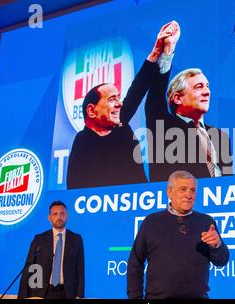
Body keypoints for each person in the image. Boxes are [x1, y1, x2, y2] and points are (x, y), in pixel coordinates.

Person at [67, 21, 179, 189]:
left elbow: (137, 90)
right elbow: (76, 193)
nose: (120, 103)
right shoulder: (82, 142)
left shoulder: (121, 128)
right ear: (91, 110)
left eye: (119, 98)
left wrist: (161, 51)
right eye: (112, 99)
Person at [144, 24, 233, 182]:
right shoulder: (163, 127)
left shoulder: (221, 137)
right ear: (177, 98)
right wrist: (167, 52)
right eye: (198, 87)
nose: (207, 92)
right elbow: (155, 99)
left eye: (207, 86)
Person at [127, 170, 229, 299]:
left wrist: (217, 245)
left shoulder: (206, 222)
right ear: (169, 192)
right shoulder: (151, 222)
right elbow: (135, 263)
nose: (188, 194)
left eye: (193, 190)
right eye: (183, 189)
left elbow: (221, 261)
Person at [18, 201, 84, 299]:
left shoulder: (76, 239)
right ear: (49, 218)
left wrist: (80, 295)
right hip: (42, 293)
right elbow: (29, 268)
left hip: (67, 293)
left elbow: (80, 270)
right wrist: (22, 296)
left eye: (62, 213)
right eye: (55, 214)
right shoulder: (39, 239)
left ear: (67, 216)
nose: (59, 217)